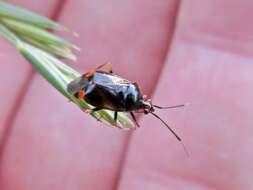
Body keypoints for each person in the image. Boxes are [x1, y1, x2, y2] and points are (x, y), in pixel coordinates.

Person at [0, 0, 252, 189]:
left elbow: (109, 78)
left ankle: (82, 88)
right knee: (97, 106)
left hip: (95, 78)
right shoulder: (127, 105)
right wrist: (87, 99)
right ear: (139, 107)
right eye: (146, 107)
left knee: (102, 79)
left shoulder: (133, 88)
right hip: (91, 87)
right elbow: (105, 107)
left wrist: (93, 84)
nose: (146, 107)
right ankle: (79, 93)